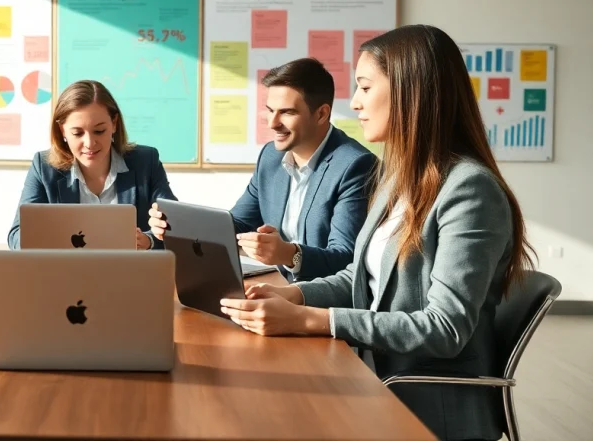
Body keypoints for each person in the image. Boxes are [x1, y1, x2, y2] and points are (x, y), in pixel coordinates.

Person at [220, 25, 536, 441]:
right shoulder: (398, 179)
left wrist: (311, 319)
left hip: (418, 399)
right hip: (370, 373)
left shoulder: (469, 190)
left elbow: (445, 329)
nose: (354, 103)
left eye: (365, 88)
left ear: (410, 93)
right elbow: (361, 277)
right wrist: (293, 295)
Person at [149, 57, 376, 281]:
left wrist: (290, 254)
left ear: (321, 114)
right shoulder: (271, 157)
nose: (272, 123)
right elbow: (236, 224)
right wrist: (177, 228)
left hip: (324, 304)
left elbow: (346, 259)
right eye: (270, 110)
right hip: (276, 287)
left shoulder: (355, 165)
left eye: (287, 112)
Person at [8, 80, 176, 250]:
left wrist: (149, 241)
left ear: (114, 124)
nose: (89, 143)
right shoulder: (43, 167)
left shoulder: (146, 161)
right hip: (65, 273)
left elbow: (176, 230)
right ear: (62, 131)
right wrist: (51, 240)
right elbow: (16, 236)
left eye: (99, 131)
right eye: (77, 133)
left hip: (130, 273)